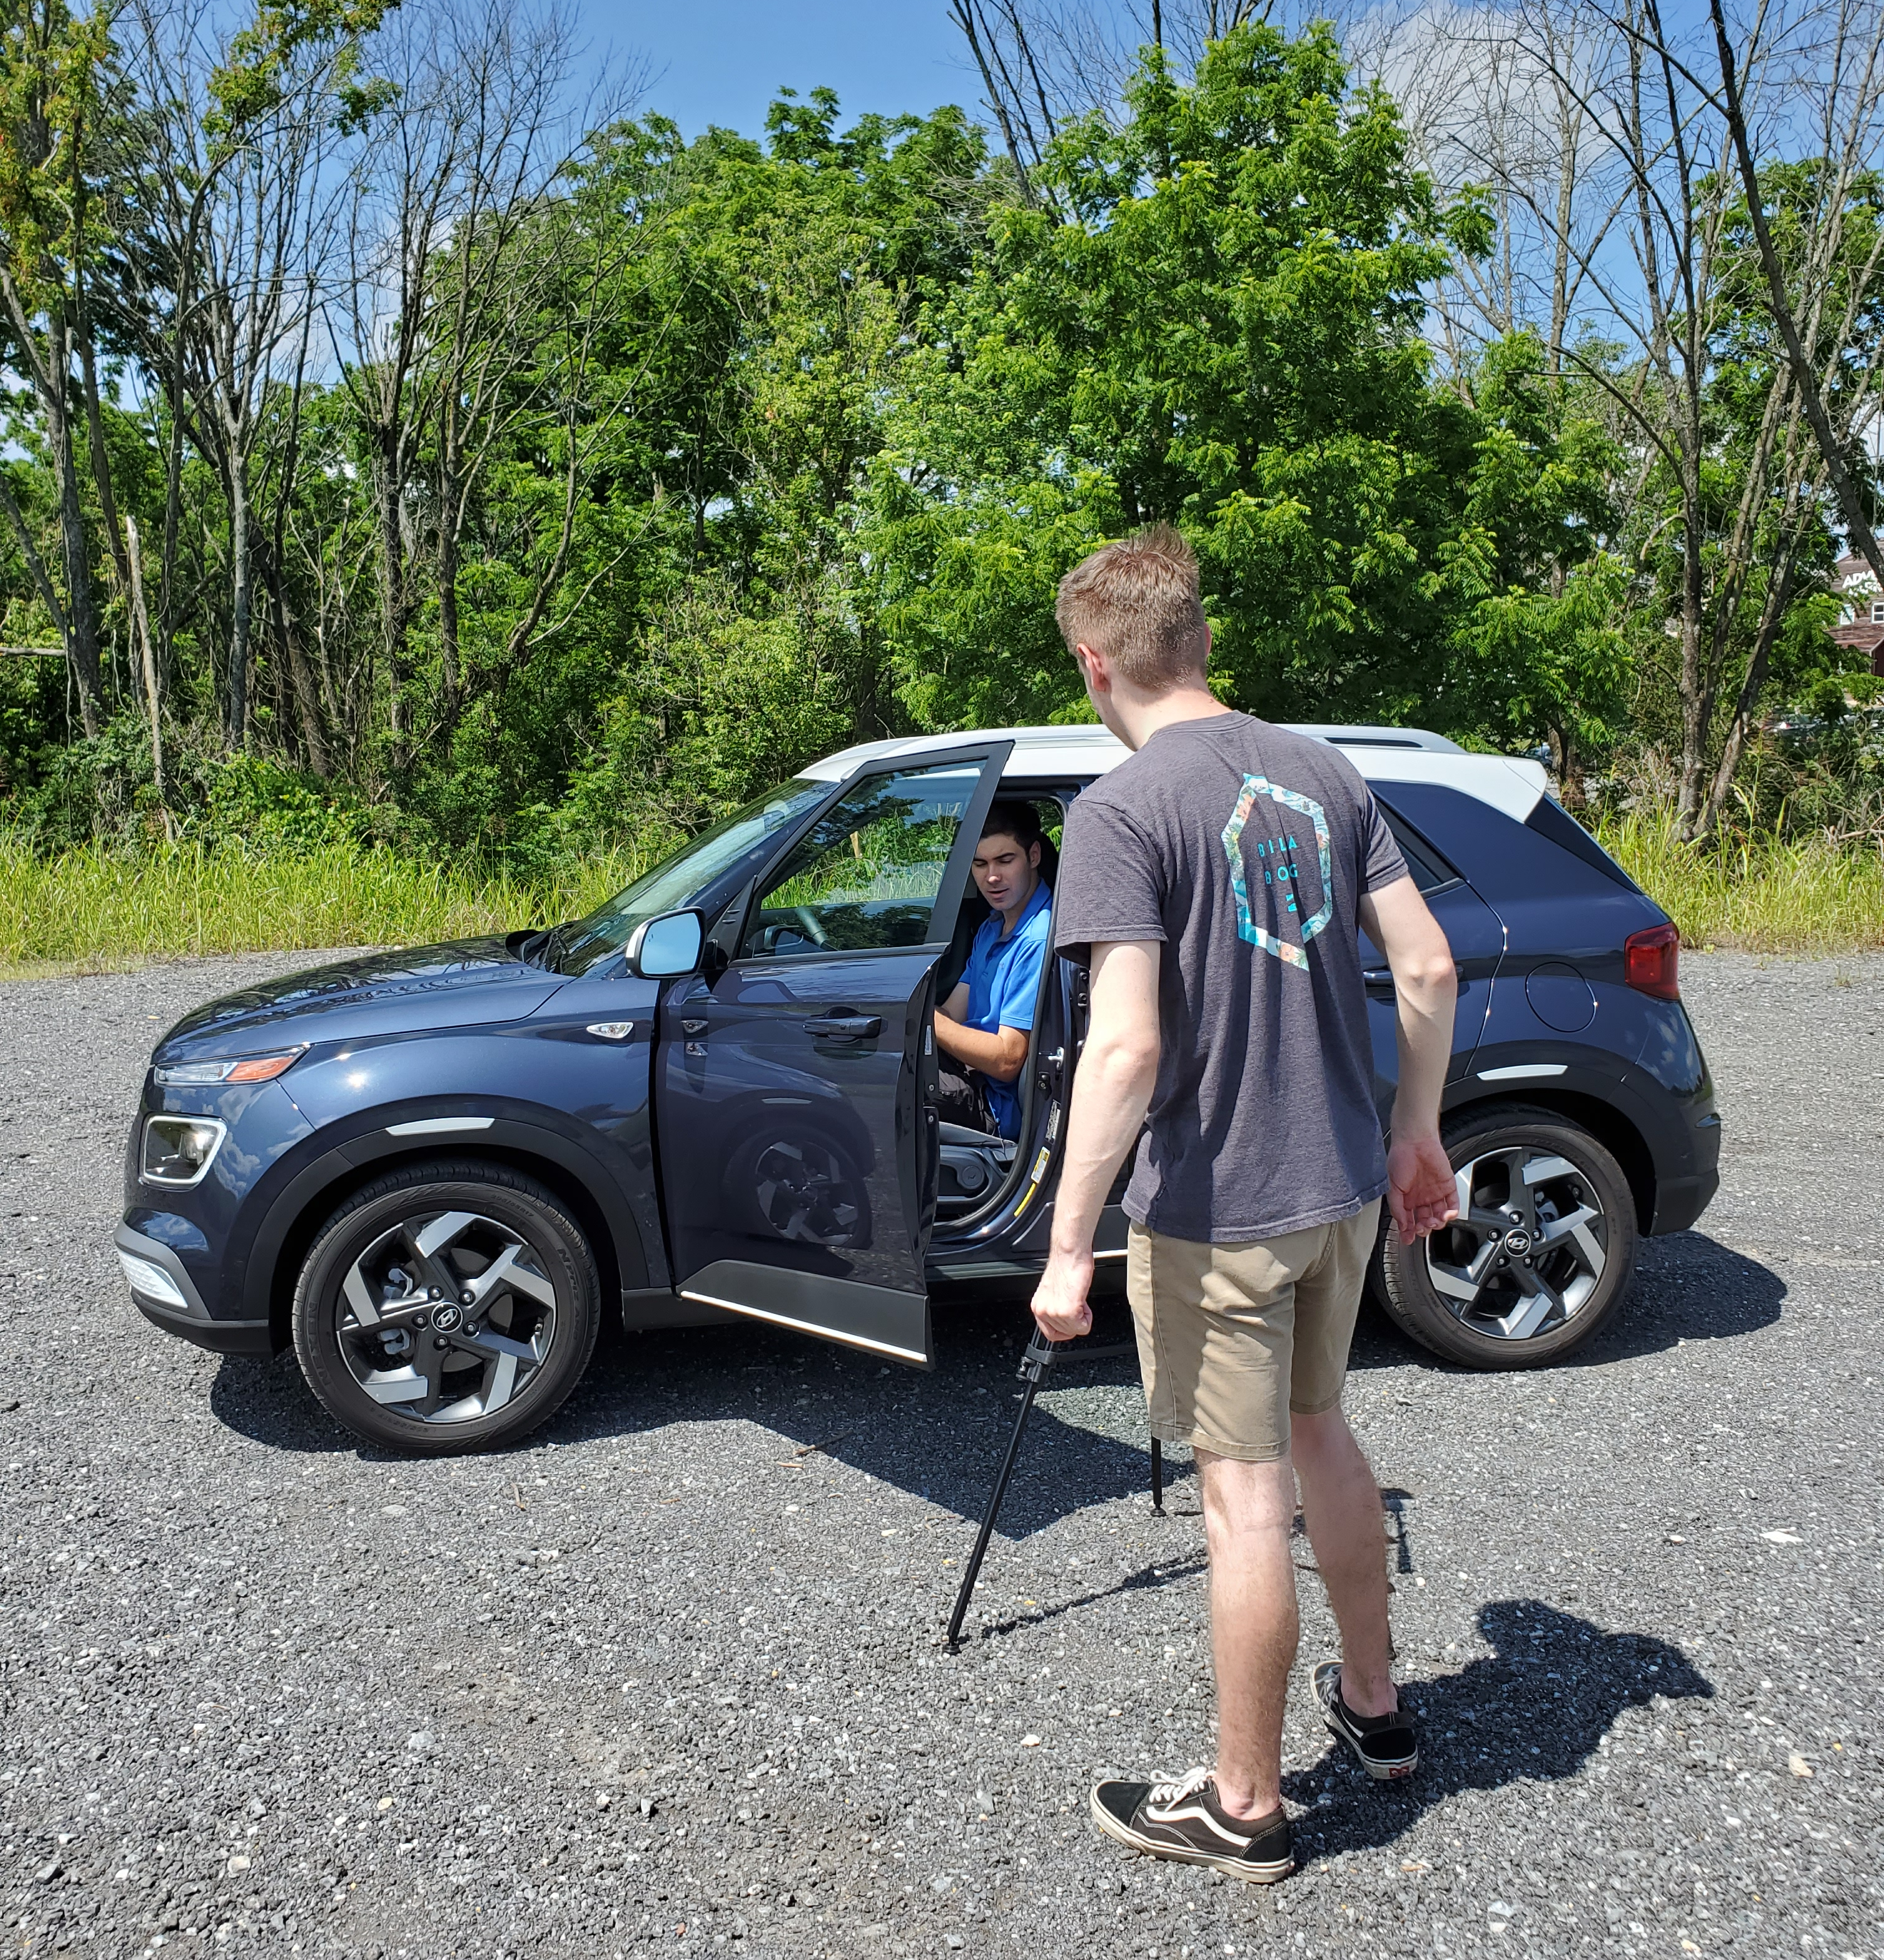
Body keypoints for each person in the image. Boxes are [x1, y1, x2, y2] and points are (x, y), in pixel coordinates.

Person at [1031, 525, 1460, 1885]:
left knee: (1241, 1499)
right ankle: (1377, 1708)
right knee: (1323, 1431)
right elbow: (1431, 969)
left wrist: (1062, 1244)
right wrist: (1415, 1134)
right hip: (1337, 1185)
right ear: (1202, 642)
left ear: (1096, 666)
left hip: (1219, 1211)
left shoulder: (1118, 811)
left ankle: (1244, 1803)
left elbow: (1129, 1048)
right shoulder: (1329, 771)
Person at [933, 802, 1053, 1140]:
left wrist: (924, 1020)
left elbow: (1007, 1059)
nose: (992, 877)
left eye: (1005, 860)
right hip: (970, 1075)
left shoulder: (1037, 939)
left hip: (997, 1108)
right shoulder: (992, 926)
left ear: (1033, 856)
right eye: (980, 863)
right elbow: (953, 1014)